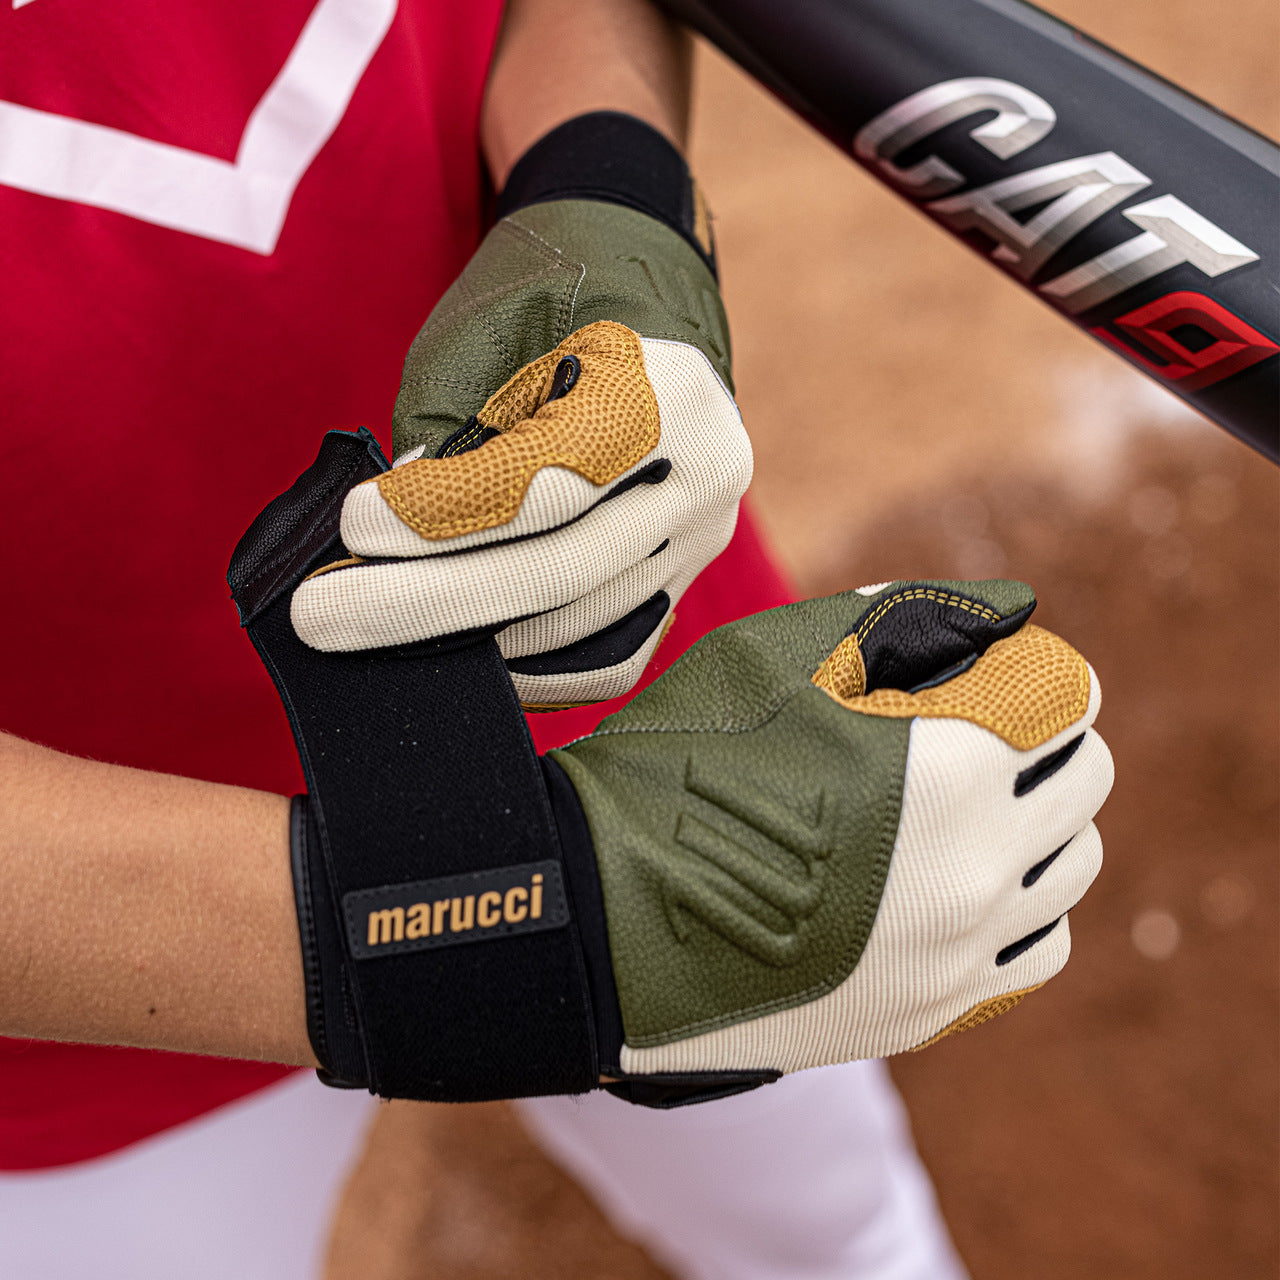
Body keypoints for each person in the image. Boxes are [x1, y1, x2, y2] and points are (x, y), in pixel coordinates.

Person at [0, 2, 1111, 1276]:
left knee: (830, 1226)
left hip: (628, 676)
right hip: (87, 965)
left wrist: (602, 196)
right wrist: (492, 929)